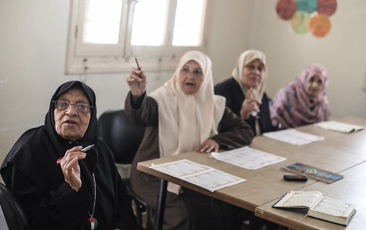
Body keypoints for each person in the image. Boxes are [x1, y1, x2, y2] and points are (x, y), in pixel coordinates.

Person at [125, 50, 254, 230]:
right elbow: (140, 116)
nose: (190, 76)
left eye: (197, 72)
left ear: (206, 76)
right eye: (185, 69)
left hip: (192, 174)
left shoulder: (214, 105)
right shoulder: (161, 98)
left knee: (220, 209)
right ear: (178, 72)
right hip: (152, 174)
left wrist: (217, 140)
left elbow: (245, 131)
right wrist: (138, 96)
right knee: (180, 215)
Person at [0, 81, 136, 230]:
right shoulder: (29, 151)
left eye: (82, 106)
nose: (71, 112)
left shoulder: (100, 149)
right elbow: (26, 221)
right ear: (53, 109)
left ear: (92, 114)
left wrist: (120, 227)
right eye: (63, 104)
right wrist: (69, 188)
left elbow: (122, 199)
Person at [214, 49, 275, 135]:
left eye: (260, 68)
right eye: (251, 67)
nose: (256, 72)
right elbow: (219, 130)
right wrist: (242, 114)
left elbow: (268, 130)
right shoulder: (223, 90)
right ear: (240, 67)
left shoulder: (261, 95)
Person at [270, 63, 332, 129]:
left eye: (319, 81)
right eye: (311, 79)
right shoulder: (288, 93)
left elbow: (325, 123)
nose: (315, 85)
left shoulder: (322, 100)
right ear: (304, 79)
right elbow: (275, 120)